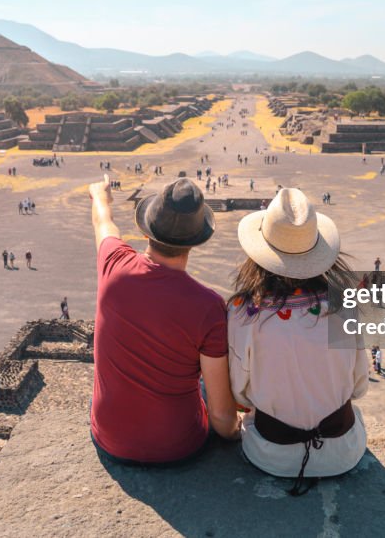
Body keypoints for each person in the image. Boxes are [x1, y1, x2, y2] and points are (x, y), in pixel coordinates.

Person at [89, 175, 240, 465]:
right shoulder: (208, 306)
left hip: (109, 437)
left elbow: (103, 223)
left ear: (147, 231)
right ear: (195, 242)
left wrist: (99, 195)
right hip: (178, 445)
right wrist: (238, 432)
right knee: (210, 383)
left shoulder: (113, 262)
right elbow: (222, 418)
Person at [228, 187, 367, 496]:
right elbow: (359, 386)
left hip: (271, 455)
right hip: (343, 451)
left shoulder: (244, 313)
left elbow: (240, 391)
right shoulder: (344, 305)